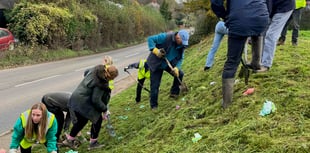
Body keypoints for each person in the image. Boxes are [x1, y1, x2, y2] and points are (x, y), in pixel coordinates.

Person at [211, 0, 270, 108]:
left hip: (239, 20)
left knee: (232, 62)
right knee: (257, 31)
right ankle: (256, 64)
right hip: (261, 17)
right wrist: (264, 12)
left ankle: (226, 103)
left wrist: (225, 16)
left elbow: (216, 3)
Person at [62, 64, 118, 150]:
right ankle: (93, 143)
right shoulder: (101, 83)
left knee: (81, 121)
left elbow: (86, 72)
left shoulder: (95, 70)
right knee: (97, 120)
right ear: (110, 77)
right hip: (84, 101)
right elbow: (95, 100)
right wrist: (105, 109)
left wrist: (87, 84)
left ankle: (69, 140)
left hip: (75, 97)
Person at [146, 29, 189, 109]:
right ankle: (154, 106)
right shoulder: (166, 37)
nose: (183, 44)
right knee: (155, 86)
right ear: (178, 37)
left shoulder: (182, 46)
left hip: (167, 64)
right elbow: (150, 39)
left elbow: (180, 58)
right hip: (156, 64)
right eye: (182, 41)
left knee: (180, 74)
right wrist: (155, 51)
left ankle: (174, 93)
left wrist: (177, 68)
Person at [256, 0, 295, 72]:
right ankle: (258, 61)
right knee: (262, 33)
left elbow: (268, 6)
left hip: (284, 7)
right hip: (273, 6)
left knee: (271, 35)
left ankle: (265, 64)